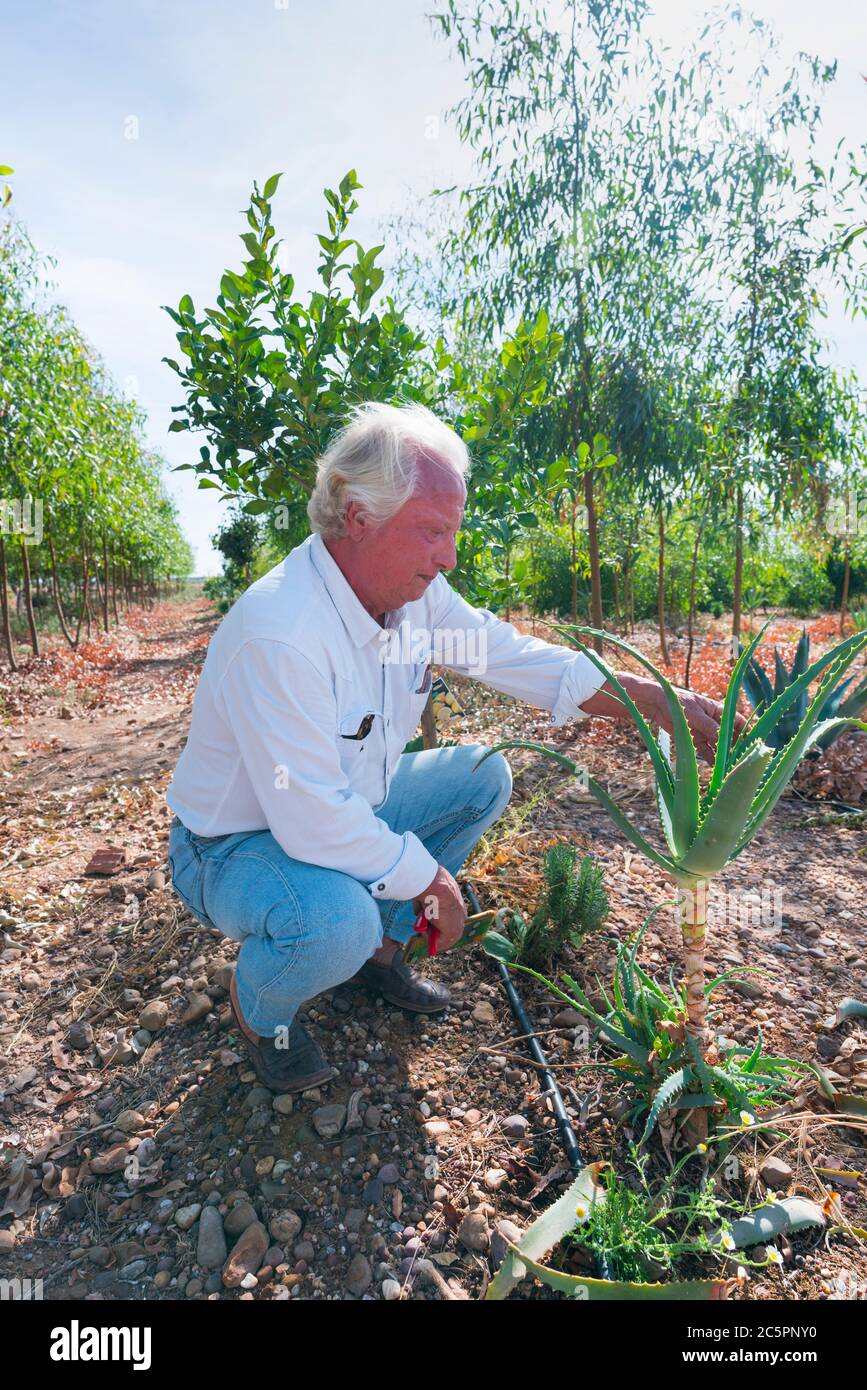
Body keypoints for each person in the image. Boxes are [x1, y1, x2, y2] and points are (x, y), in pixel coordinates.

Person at [166, 400, 733, 1093]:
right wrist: (428, 879)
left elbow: (518, 660)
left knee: (480, 775)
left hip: (344, 810)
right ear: (358, 518)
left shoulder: (415, 604)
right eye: (433, 531)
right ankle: (263, 1011)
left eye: (452, 531)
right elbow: (309, 814)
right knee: (332, 922)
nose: (450, 555)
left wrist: (656, 704)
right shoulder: (282, 631)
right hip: (231, 845)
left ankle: (378, 953)